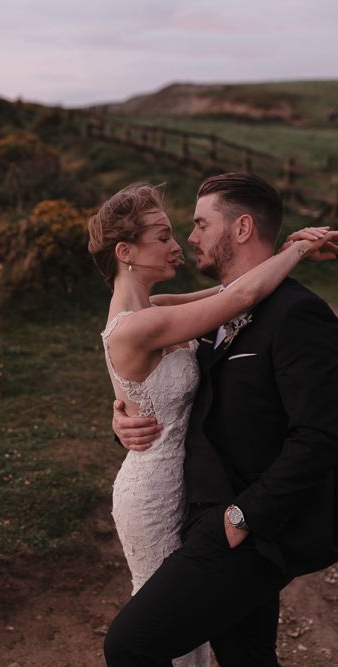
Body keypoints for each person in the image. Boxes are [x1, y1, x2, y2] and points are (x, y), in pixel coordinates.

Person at [98, 173, 338, 666]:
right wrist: (125, 412)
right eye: (167, 234)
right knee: (236, 650)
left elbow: (320, 434)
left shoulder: (293, 314)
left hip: (243, 521)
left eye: (197, 225)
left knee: (136, 643)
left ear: (242, 228)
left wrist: (244, 516)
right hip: (178, 500)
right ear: (126, 252)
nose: (187, 239)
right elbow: (233, 304)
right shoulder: (197, 314)